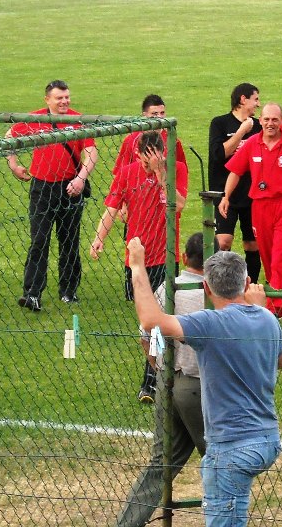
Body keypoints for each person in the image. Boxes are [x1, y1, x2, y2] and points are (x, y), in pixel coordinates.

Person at [129, 241, 282, 527]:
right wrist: (259, 314)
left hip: (231, 449)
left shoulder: (210, 324)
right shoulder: (267, 318)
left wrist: (138, 266)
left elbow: (150, 320)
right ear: (248, 282)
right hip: (267, 440)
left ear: (207, 289)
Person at [116, 232, 208, 527]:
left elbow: (147, 338)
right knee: (224, 461)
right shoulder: (212, 293)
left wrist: (158, 368)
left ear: (182, 256)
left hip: (167, 382)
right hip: (200, 388)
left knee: (160, 465)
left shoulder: (167, 289)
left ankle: (126, 523)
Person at [90, 131, 169, 402]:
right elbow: (112, 208)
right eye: (145, 162)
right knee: (146, 325)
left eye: (154, 161)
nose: (148, 167)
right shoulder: (126, 174)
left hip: (164, 259)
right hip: (136, 261)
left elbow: (177, 205)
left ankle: (151, 380)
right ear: (137, 156)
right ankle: (159, 374)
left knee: (157, 320)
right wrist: (99, 239)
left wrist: (161, 176)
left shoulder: (174, 170)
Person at [7, 80, 97, 311]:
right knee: (39, 241)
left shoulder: (78, 120)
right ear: (47, 100)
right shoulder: (35, 119)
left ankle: (68, 291)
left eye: (67, 97)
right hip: (42, 188)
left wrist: (80, 179)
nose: (64, 101)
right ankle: (32, 293)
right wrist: (13, 164)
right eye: (59, 98)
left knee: (69, 241)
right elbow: (9, 136)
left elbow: (91, 153)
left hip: (70, 188)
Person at [220, 103, 282, 318]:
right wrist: (226, 196)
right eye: (266, 119)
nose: (270, 124)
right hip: (260, 207)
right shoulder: (252, 143)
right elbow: (235, 170)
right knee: (269, 255)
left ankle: (275, 308)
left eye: (275, 120)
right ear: (260, 121)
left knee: (281, 254)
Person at [113, 94, 188, 297]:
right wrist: (122, 205)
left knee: (163, 242)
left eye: (163, 113)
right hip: (137, 203)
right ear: (144, 116)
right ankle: (134, 285)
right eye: (154, 114)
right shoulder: (131, 141)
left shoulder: (172, 140)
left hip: (162, 202)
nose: (160, 118)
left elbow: (180, 169)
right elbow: (121, 172)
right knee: (135, 242)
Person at [209, 83, 262, 283]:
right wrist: (241, 132)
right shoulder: (219, 123)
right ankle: (219, 284)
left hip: (251, 194)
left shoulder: (259, 127)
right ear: (242, 99)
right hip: (225, 194)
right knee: (224, 241)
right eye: (255, 99)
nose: (258, 104)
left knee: (252, 244)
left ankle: (251, 286)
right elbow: (219, 154)